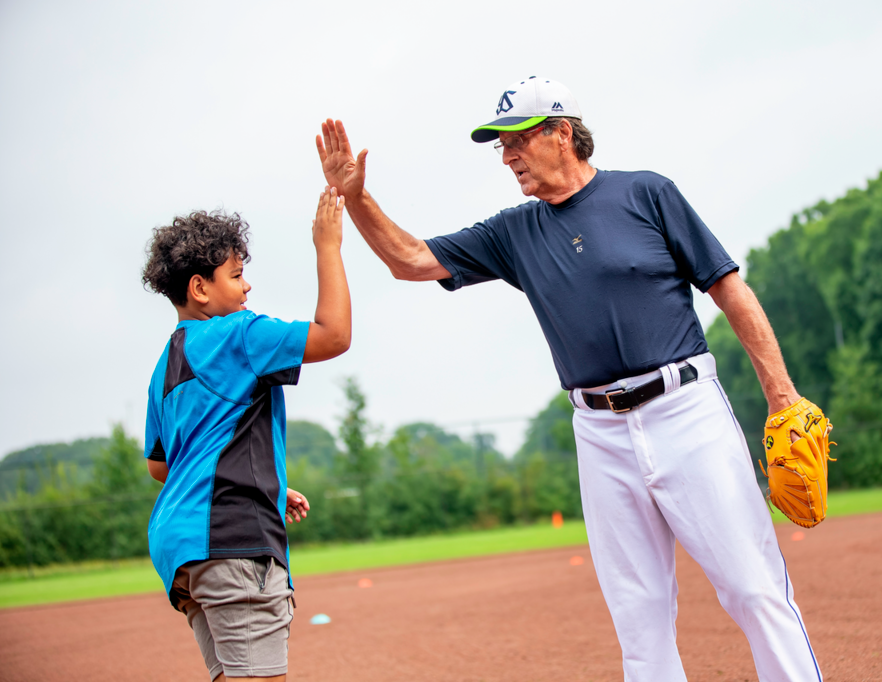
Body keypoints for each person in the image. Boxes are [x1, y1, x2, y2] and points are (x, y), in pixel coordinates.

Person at [316, 77, 821, 681]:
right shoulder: (514, 232)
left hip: (686, 410)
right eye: (500, 146)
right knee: (639, 618)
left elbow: (728, 287)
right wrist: (359, 197)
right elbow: (411, 260)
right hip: (599, 434)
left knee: (753, 588)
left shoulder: (648, 193)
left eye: (517, 140)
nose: (507, 157)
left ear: (562, 134)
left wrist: (781, 395)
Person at [140, 188, 352, 681]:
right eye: (236, 276)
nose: (247, 288)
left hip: (180, 548)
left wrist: (259, 480)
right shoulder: (236, 334)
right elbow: (334, 335)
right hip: (232, 540)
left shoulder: (165, 363)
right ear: (199, 288)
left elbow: (161, 464)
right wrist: (328, 245)